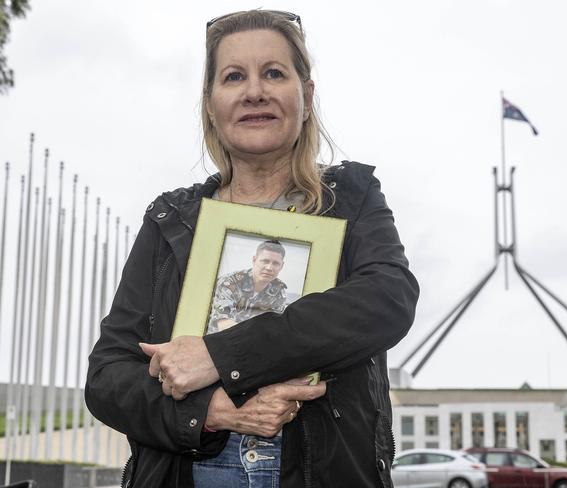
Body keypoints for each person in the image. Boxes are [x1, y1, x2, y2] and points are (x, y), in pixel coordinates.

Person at [85, 9, 419, 488]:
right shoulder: (171, 220)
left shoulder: (351, 199)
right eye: (234, 76)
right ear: (210, 103)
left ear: (305, 96)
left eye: (274, 73)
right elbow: (108, 378)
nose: (254, 91)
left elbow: (388, 299)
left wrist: (220, 356)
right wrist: (208, 413)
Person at [208, 240, 288, 332]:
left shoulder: (278, 292)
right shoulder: (230, 283)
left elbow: (272, 329)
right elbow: (224, 325)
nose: (269, 268)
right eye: (265, 261)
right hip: (215, 341)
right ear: (254, 260)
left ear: (281, 266)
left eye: (275, 263)